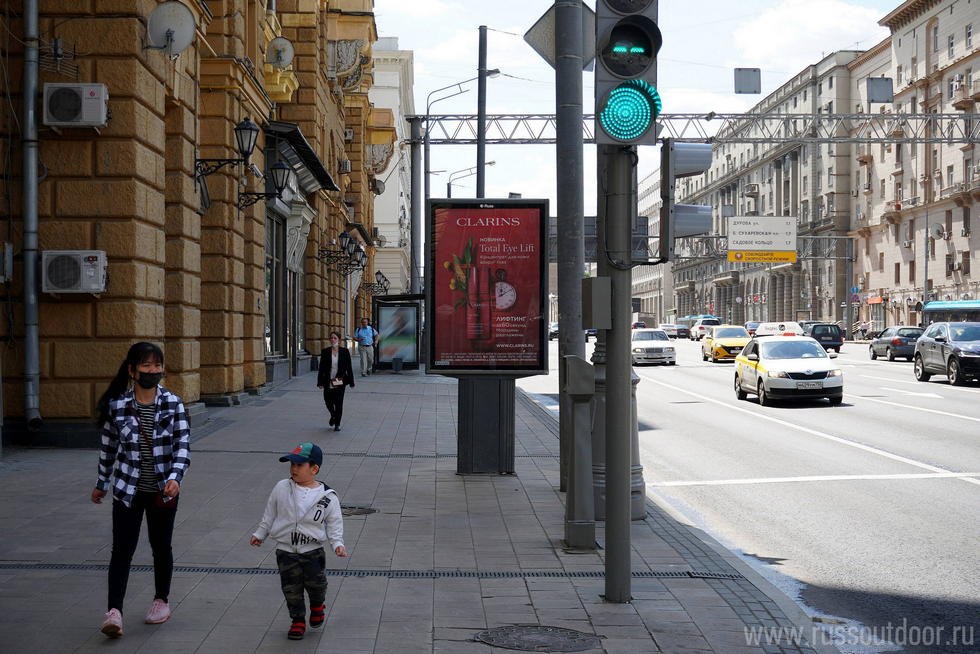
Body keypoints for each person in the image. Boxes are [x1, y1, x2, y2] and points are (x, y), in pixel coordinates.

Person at [91, 342, 191, 638]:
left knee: (161, 547)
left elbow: (183, 446)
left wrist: (175, 477)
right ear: (132, 370)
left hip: (163, 491)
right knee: (122, 550)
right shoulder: (118, 406)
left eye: (156, 365)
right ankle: (114, 612)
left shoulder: (174, 403)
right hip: (127, 490)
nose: (152, 371)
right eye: (146, 366)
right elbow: (108, 449)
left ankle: (161, 601)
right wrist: (101, 483)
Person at [250, 443, 347, 640]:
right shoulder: (281, 487)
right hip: (286, 551)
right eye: (292, 464)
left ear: (314, 469)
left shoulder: (327, 497)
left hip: (313, 551)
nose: (293, 469)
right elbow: (270, 513)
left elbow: (334, 522)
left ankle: (318, 606)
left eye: (299, 465)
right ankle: (298, 621)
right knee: (291, 589)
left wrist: (337, 543)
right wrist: (260, 533)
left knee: (316, 586)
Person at [317, 331, 355, 431]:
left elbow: (349, 368)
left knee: (338, 402)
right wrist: (320, 382)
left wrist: (351, 381)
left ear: (339, 340)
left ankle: (337, 424)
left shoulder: (344, 351)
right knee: (328, 401)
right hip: (328, 380)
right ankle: (333, 415)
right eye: (331, 338)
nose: (332, 340)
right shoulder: (325, 351)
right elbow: (321, 368)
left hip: (339, 380)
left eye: (335, 338)